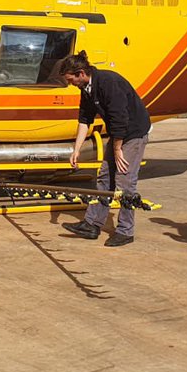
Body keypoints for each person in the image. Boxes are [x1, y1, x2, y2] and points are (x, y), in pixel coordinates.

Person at [56, 51, 151, 247]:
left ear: (81, 73)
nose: (70, 84)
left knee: (125, 181)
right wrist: (76, 149)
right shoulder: (86, 89)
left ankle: (125, 231)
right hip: (120, 133)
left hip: (133, 133)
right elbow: (84, 120)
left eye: (71, 80)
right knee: (105, 176)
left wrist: (117, 150)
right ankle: (92, 224)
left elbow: (120, 119)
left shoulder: (108, 83)